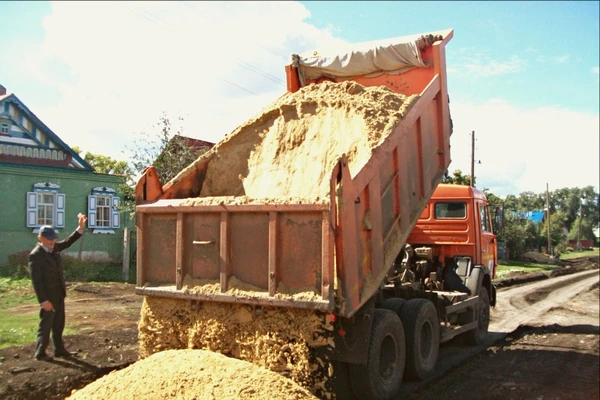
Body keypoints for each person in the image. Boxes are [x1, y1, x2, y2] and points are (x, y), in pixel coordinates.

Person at [29, 213, 87, 361]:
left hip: (59, 294)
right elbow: (37, 281)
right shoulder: (36, 255)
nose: (53, 241)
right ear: (40, 238)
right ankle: (40, 352)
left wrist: (80, 228)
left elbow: (68, 241)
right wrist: (43, 301)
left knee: (59, 323)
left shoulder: (54, 248)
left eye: (54, 238)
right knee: (46, 324)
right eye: (49, 238)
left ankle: (59, 350)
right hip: (48, 296)